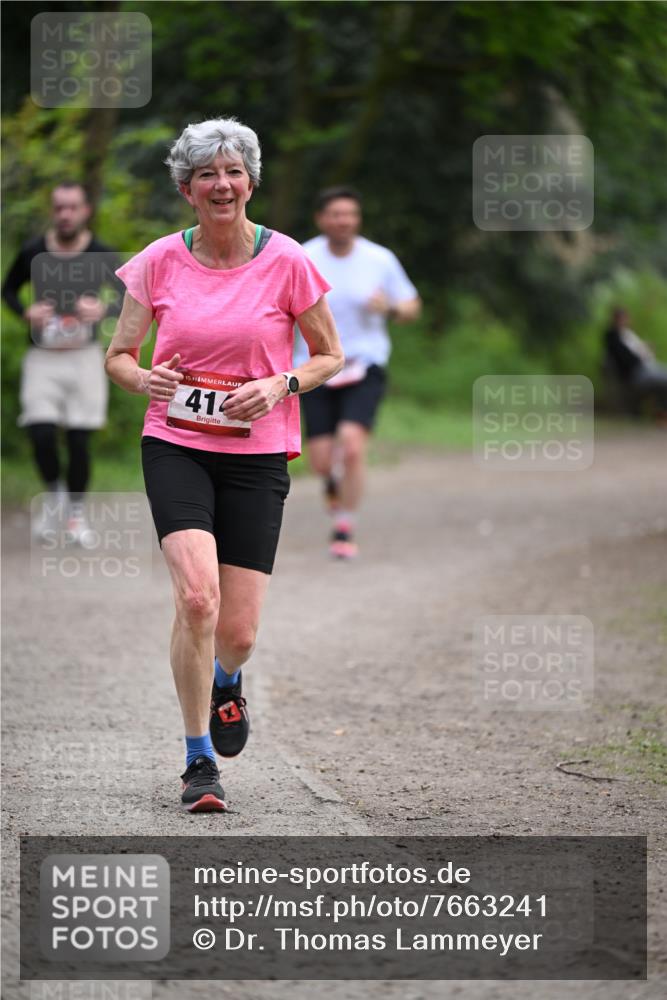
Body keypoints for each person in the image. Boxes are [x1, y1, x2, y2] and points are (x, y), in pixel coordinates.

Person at [105, 118, 343, 813]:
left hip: (258, 452)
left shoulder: (288, 260)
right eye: (206, 174)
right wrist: (141, 377)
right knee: (197, 598)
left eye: (232, 171)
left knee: (237, 632)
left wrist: (280, 385)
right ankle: (197, 759)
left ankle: (225, 681)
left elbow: (328, 355)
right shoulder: (157, 261)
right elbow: (118, 355)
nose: (221, 184)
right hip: (175, 443)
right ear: (186, 188)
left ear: (251, 181)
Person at [295, 186, 421, 559]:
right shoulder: (302, 256)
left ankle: (344, 525)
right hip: (314, 364)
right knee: (320, 460)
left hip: (365, 363)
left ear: (358, 219)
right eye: (335, 214)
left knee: (351, 446)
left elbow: (413, 306)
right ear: (321, 219)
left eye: (350, 214)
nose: (343, 221)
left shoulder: (379, 259)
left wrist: (391, 309)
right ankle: (334, 488)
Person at [2, 181, 123, 542]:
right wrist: (26, 312)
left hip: (84, 357)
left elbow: (130, 296)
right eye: (59, 208)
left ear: (85, 211)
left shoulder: (101, 254)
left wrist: (103, 309)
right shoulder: (33, 251)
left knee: (79, 440)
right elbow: (7, 289)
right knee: (40, 432)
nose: (65, 215)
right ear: (53, 211)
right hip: (42, 357)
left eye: (72, 207)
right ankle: (55, 495)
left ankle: (75, 515)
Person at [604, 307, 667, 417]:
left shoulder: (629, 334)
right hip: (635, 373)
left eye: (625, 318)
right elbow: (625, 358)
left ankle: (661, 413)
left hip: (647, 367)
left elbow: (637, 350)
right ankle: (662, 414)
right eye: (621, 318)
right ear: (615, 319)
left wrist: (644, 348)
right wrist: (641, 352)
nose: (624, 321)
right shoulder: (613, 336)